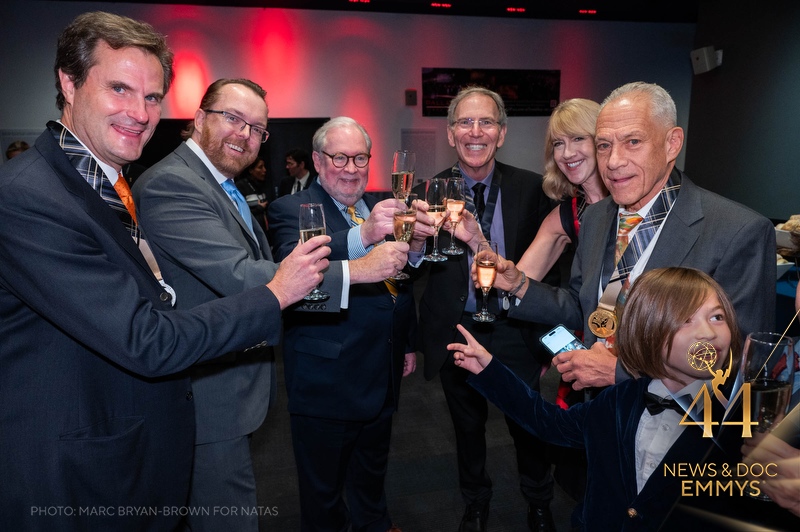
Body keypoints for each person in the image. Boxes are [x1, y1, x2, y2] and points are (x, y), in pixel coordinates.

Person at [0, 12, 329, 531]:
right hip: (76, 477)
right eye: (119, 89)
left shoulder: (102, 183)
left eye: (153, 98)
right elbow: (146, 339)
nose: (139, 112)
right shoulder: (30, 197)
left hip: (130, 451)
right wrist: (275, 293)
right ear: (68, 82)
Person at [133, 80, 381, 532]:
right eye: (233, 118)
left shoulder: (223, 184)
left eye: (257, 129)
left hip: (228, 379)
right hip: (207, 391)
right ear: (200, 117)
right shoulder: (174, 183)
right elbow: (241, 276)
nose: (244, 134)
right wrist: (360, 269)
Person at [490, 81, 775, 392]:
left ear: (672, 144)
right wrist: (517, 284)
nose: (613, 161)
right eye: (604, 145)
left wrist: (622, 373)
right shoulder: (598, 217)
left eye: (633, 142)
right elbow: (584, 306)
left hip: (673, 428)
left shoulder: (737, 231)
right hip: (595, 410)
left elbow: (742, 362)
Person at [449, 267, 748, 530]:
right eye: (686, 320)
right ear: (648, 332)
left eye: (717, 316)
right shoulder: (619, 400)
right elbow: (547, 423)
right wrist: (489, 369)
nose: (709, 332)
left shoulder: (739, 418)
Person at [268, 116, 426, 532]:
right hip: (327, 381)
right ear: (318, 161)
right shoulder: (291, 208)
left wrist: (407, 340)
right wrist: (366, 236)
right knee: (324, 495)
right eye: (340, 157)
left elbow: (397, 277)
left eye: (360, 158)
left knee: (372, 476)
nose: (352, 168)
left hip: (382, 368)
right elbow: (297, 270)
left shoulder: (376, 205)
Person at [415, 86, 558, 532]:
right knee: (467, 430)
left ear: (501, 134)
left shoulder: (534, 188)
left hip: (514, 328)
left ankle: (538, 503)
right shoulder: (427, 191)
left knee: (528, 427)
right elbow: (409, 268)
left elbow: (549, 267)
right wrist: (415, 246)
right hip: (458, 331)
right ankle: (475, 503)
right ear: (451, 133)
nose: (475, 131)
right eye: (465, 122)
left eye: (486, 122)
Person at [236, 155, 270, 234]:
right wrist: (259, 208)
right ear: (251, 170)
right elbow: (239, 213)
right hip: (251, 230)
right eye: (260, 167)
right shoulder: (241, 186)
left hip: (265, 230)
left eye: (264, 167)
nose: (264, 170)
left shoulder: (262, 185)